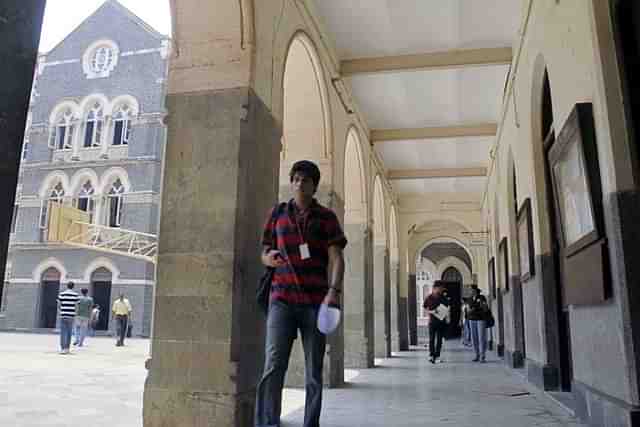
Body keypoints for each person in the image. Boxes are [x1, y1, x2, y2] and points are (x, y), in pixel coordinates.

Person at [255, 160, 347, 427]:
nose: (299, 183)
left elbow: (337, 258)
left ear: (314, 185)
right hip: (281, 299)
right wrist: (267, 258)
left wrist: (334, 292)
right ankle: (268, 423)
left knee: (314, 372)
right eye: (295, 178)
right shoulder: (278, 213)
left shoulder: (326, 217)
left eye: (305, 180)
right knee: (273, 366)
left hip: (315, 302)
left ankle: (311, 423)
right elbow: (264, 251)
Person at [423, 281, 449, 364]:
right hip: (432, 321)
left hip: (441, 321)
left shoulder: (444, 298)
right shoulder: (429, 297)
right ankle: (431, 355)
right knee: (431, 339)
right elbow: (425, 308)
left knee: (439, 340)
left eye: (442, 288)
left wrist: (447, 317)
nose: (442, 290)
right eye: (440, 288)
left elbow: (446, 308)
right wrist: (432, 312)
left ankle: (437, 355)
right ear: (435, 288)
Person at [57, 281, 80, 354]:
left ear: (67, 286)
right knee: (69, 332)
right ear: (73, 286)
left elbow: (59, 304)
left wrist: (61, 311)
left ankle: (62, 348)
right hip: (71, 315)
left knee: (63, 332)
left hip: (63, 314)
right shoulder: (75, 295)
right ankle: (67, 348)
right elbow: (77, 306)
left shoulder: (62, 294)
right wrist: (75, 314)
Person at [468, 285, 489, 362]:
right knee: (474, 338)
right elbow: (469, 309)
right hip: (471, 319)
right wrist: (472, 309)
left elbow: (484, 307)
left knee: (481, 337)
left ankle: (482, 356)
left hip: (480, 319)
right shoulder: (469, 299)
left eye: (470, 290)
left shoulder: (481, 297)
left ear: (475, 290)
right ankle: (476, 354)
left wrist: (478, 307)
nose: (469, 291)